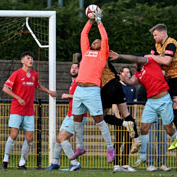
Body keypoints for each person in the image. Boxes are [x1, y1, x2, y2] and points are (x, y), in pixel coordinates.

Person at [109, 51, 177, 169]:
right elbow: (130, 82)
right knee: (144, 128)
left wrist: (120, 56)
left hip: (164, 99)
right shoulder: (138, 74)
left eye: (135, 63)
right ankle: (143, 155)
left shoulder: (149, 61)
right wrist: (121, 78)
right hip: (151, 102)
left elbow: (135, 57)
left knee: (168, 129)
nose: (134, 66)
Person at [71, 12, 115, 163]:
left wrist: (99, 22)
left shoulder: (103, 55)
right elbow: (84, 34)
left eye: (98, 41)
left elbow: (105, 38)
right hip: (79, 89)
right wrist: (90, 21)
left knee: (98, 119)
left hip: (92, 90)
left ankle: (110, 148)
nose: (96, 41)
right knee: (76, 118)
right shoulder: (86, 51)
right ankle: (80, 147)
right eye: (94, 40)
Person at [1, 51, 56, 170]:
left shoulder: (34, 74)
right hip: (16, 110)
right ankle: (5, 160)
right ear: (22, 61)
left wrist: (49, 92)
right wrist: (18, 98)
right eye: (28, 58)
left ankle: (22, 163)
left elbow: (38, 86)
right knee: (14, 135)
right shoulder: (16, 74)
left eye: (31, 58)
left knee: (30, 137)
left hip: (29, 111)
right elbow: (5, 88)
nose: (31, 60)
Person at [145, 24, 177, 152]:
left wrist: (150, 57)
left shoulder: (171, 43)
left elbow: (166, 61)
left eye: (155, 35)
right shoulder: (156, 46)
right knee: (171, 107)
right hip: (170, 79)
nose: (154, 38)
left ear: (163, 34)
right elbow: (153, 61)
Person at [46, 63, 87, 171]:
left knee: (62, 138)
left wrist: (68, 96)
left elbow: (85, 97)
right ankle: (55, 163)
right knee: (58, 139)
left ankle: (74, 163)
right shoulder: (73, 82)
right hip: (70, 114)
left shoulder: (80, 82)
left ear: (80, 70)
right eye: (72, 67)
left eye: (76, 68)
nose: (73, 69)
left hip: (77, 116)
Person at [100, 62, 138, 172]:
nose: (126, 74)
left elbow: (134, 104)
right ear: (119, 74)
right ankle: (117, 164)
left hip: (128, 118)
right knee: (119, 141)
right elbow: (115, 103)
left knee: (128, 141)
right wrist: (117, 116)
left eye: (128, 72)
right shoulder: (116, 85)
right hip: (119, 118)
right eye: (124, 72)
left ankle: (125, 164)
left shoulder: (132, 88)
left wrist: (133, 117)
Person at [137, 85, 171, 171]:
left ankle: (162, 164)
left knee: (163, 141)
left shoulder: (165, 83)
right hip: (151, 118)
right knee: (150, 141)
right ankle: (150, 164)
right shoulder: (147, 83)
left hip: (163, 117)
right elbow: (140, 97)